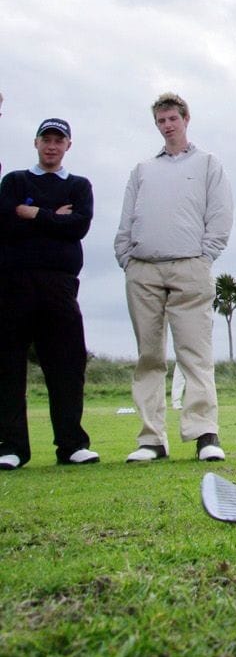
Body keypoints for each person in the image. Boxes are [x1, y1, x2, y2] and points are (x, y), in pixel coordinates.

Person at [114, 93, 233, 463]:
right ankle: (151, 439)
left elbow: (221, 214)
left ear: (185, 119)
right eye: (161, 121)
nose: (167, 126)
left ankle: (204, 434)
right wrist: (126, 257)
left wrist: (204, 256)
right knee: (149, 356)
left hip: (189, 268)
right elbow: (126, 218)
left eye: (172, 119)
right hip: (144, 269)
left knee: (194, 354)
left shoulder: (208, 164)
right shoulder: (143, 169)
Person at [0, 118, 99, 469]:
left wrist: (33, 214)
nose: (52, 146)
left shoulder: (78, 186)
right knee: (9, 367)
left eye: (59, 140)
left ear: (68, 145)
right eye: (46, 139)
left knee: (67, 366)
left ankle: (71, 445)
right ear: (36, 142)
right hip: (14, 286)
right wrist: (52, 218)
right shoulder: (14, 181)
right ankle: (11, 447)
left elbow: (78, 226)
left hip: (60, 287)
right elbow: (7, 224)